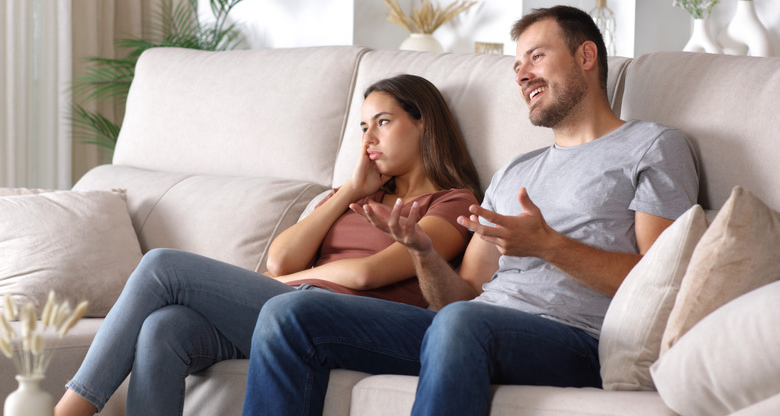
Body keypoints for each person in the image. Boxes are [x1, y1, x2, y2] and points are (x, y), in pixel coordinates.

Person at [241, 5, 699, 416]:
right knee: (291, 314)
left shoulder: (653, 146)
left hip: (573, 337)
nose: (522, 74)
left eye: (536, 57)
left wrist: (549, 246)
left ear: (586, 56)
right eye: (517, 65)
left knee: (463, 324)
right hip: (470, 325)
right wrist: (422, 252)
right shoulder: (514, 172)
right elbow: (459, 297)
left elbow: (657, 279)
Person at [53, 74, 482, 416]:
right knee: (164, 327)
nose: (368, 139)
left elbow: (365, 273)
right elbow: (279, 259)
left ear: (423, 122)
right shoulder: (353, 196)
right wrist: (350, 190)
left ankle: (71, 409)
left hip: (352, 319)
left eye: (383, 123)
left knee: (163, 266)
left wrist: (293, 279)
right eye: (363, 127)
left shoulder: (452, 202)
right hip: (290, 308)